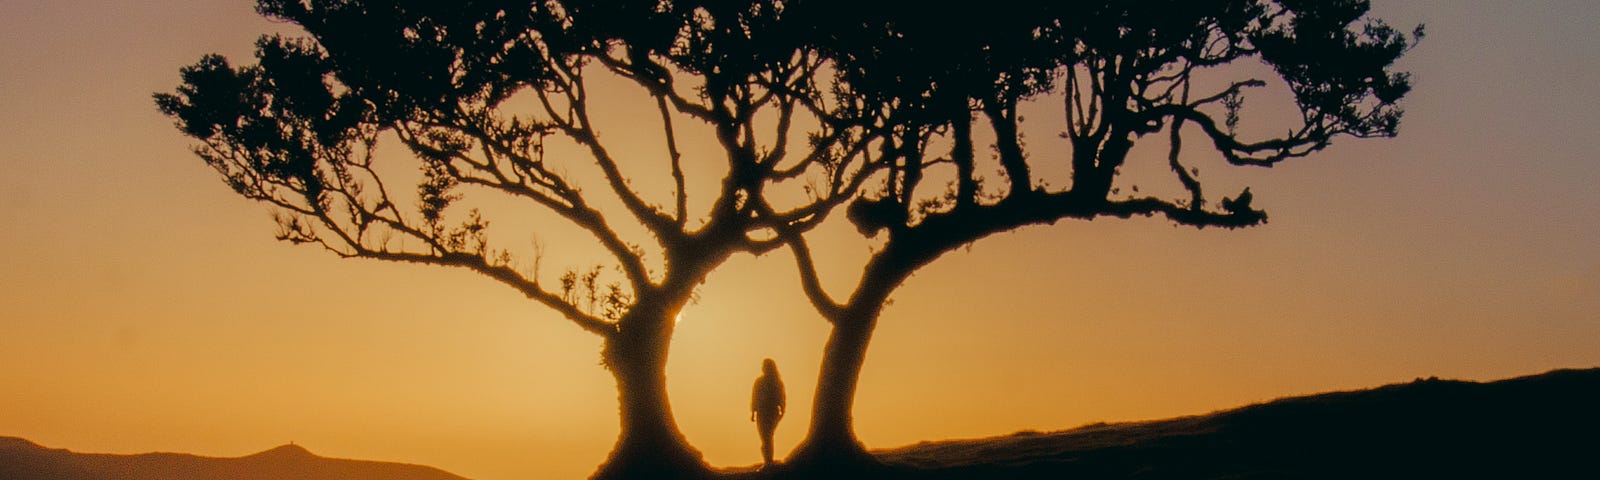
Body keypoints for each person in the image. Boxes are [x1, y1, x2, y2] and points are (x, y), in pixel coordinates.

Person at [751, 358, 786, 468]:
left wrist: (782, 409)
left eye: (764, 366)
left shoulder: (776, 382)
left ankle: (768, 462)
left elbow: (781, 396)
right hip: (761, 412)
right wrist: (753, 411)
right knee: (765, 437)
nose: (762, 368)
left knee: (767, 437)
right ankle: (768, 460)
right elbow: (755, 396)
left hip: (771, 412)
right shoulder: (759, 382)